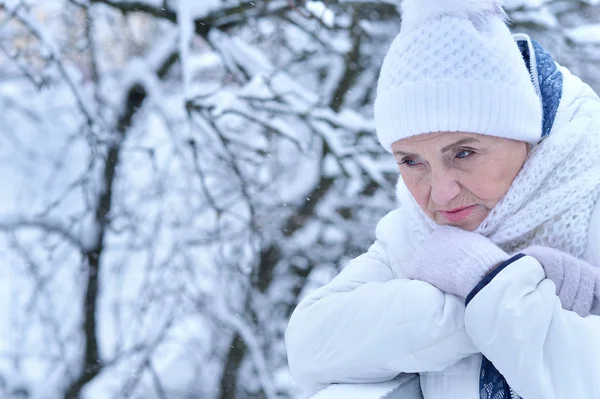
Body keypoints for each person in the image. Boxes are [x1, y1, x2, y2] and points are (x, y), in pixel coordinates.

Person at [284, 0, 600, 398]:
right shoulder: (417, 234)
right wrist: (483, 287)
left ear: (526, 138)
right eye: (411, 161)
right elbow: (310, 345)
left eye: (463, 153)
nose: (440, 192)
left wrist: (491, 287)